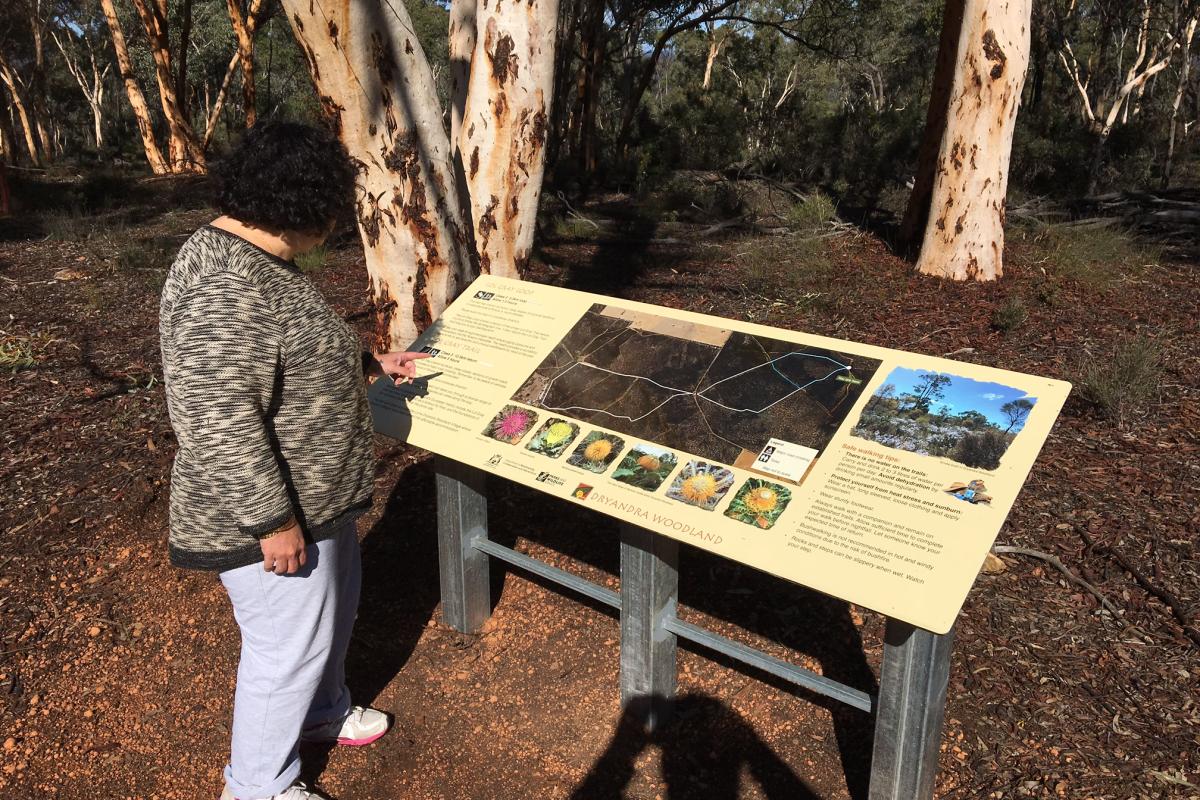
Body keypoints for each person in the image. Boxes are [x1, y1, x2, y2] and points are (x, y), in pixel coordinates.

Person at [158, 121, 428, 800]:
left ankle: (322, 713)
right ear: (304, 204)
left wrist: (371, 361)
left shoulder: (256, 260)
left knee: (328, 619)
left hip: (317, 502)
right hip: (270, 518)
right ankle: (258, 786)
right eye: (335, 208)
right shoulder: (223, 280)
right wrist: (271, 520)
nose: (338, 225)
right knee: (285, 651)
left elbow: (287, 349)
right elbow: (216, 418)